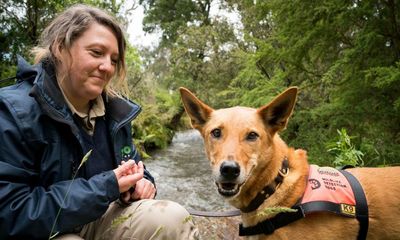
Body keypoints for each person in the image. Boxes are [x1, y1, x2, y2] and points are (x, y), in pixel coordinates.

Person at [0, 4, 198, 240]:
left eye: (114, 59)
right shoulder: (12, 111)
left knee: (172, 218)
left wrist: (141, 185)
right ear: (60, 47)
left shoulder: (116, 114)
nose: (107, 67)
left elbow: (134, 168)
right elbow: (10, 213)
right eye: (96, 53)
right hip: (43, 232)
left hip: (99, 220)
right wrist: (106, 187)